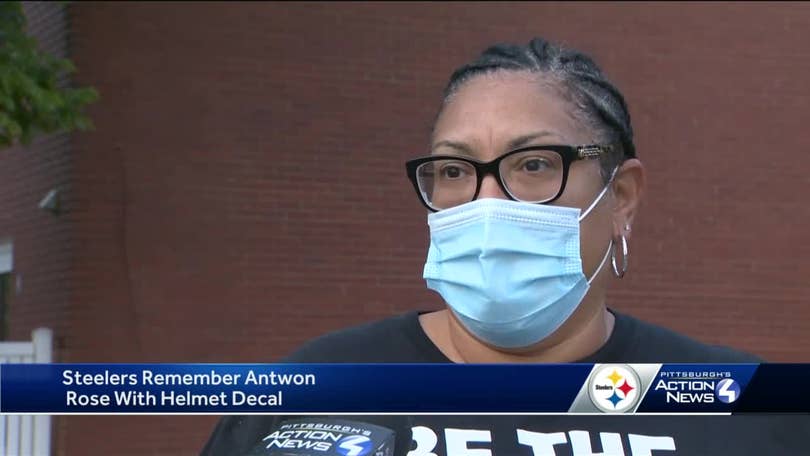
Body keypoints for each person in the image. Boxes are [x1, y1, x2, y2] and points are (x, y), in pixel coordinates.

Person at [202, 38, 807, 455]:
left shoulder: (749, 411)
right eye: (455, 170)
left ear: (620, 194)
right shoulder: (316, 388)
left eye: (535, 164)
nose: (488, 203)